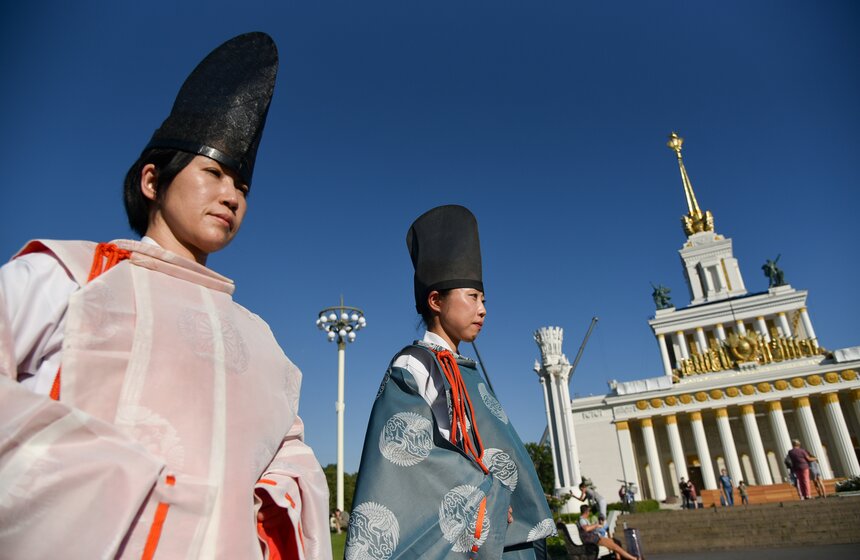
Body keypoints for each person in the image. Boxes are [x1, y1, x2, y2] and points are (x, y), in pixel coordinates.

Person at [0, 33, 331, 559]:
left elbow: (292, 464)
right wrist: (139, 493)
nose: (231, 196)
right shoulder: (72, 276)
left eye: (242, 187)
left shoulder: (263, 341)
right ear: (153, 180)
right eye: (214, 172)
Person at [345, 205, 554, 558]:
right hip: (475, 536)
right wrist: (487, 495)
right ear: (436, 300)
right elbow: (411, 459)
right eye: (472, 297)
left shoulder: (466, 369)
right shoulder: (413, 364)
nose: (483, 309)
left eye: (484, 299)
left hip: (508, 536)